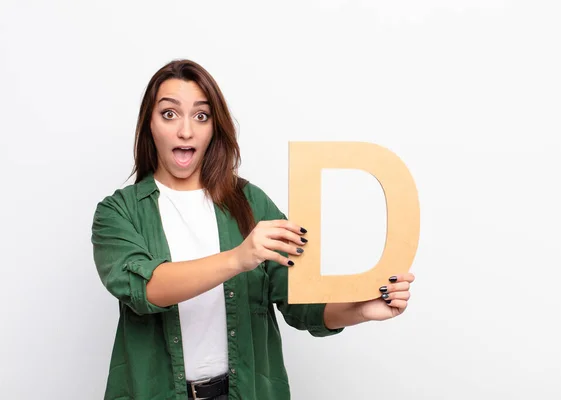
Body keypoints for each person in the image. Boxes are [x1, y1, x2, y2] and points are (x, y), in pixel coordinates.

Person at [91, 59, 415, 400]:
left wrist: (361, 310)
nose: (185, 131)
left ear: (215, 127)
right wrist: (238, 258)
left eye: (201, 116)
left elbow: (302, 304)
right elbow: (147, 289)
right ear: (149, 125)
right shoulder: (117, 213)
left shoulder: (251, 203)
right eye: (169, 114)